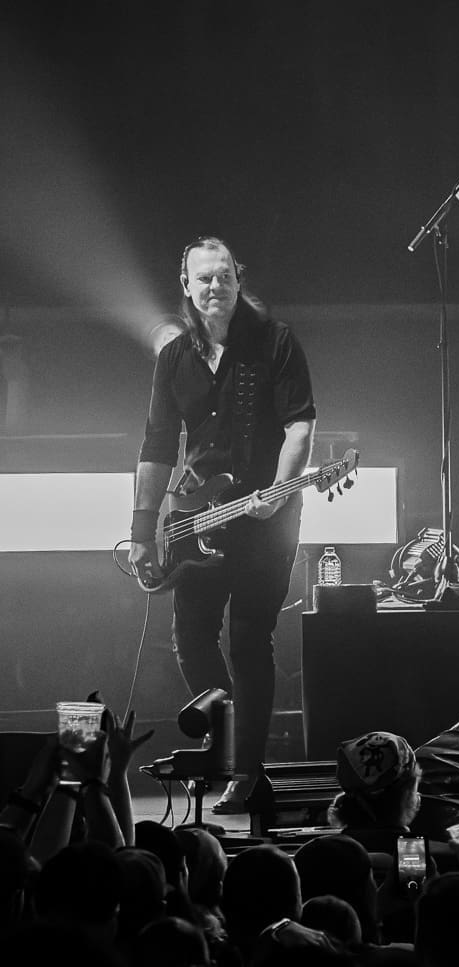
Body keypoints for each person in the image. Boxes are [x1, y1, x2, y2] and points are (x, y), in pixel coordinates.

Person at [128, 236, 316, 813]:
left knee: (249, 641)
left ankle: (246, 770)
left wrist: (280, 495)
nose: (215, 286)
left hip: (266, 515)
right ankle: (232, 741)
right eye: (203, 278)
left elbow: (301, 427)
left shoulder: (275, 342)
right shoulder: (174, 358)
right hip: (198, 517)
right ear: (186, 286)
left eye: (224, 276)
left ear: (240, 278)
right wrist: (142, 528)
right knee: (190, 638)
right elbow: (157, 447)